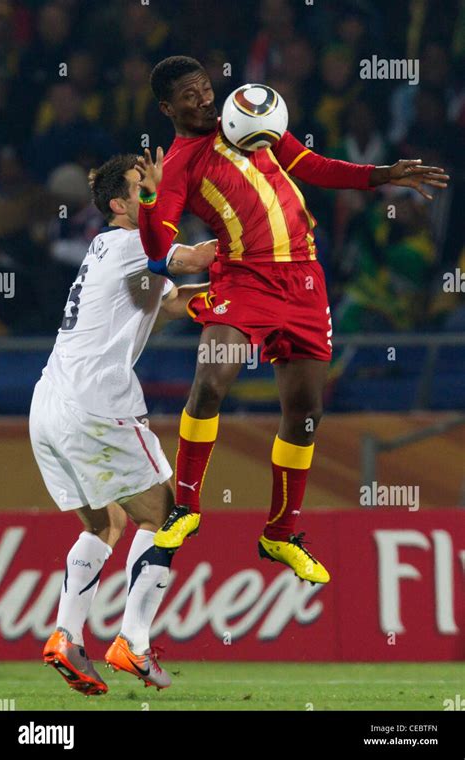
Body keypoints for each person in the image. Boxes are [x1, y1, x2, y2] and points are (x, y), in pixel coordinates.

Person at [136, 56, 449, 585]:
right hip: (244, 281)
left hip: (304, 280)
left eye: (205, 89)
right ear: (167, 108)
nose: (205, 100)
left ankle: (280, 534)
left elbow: (314, 166)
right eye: (189, 97)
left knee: (306, 411)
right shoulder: (181, 164)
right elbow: (157, 249)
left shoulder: (247, 120)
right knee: (212, 381)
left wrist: (381, 176)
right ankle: (185, 507)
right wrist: (148, 197)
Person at [30, 153, 215, 696]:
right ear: (118, 204)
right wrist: (253, 252)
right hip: (95, 404)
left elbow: (174, 302)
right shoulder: (137, 244)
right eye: (143, 190)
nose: (154, 196)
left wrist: (231, 300)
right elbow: (191, 258)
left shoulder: (112, 249)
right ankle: (132, 641)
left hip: (50, 403)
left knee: (105, 524)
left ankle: (66, 634)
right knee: (171, 517)